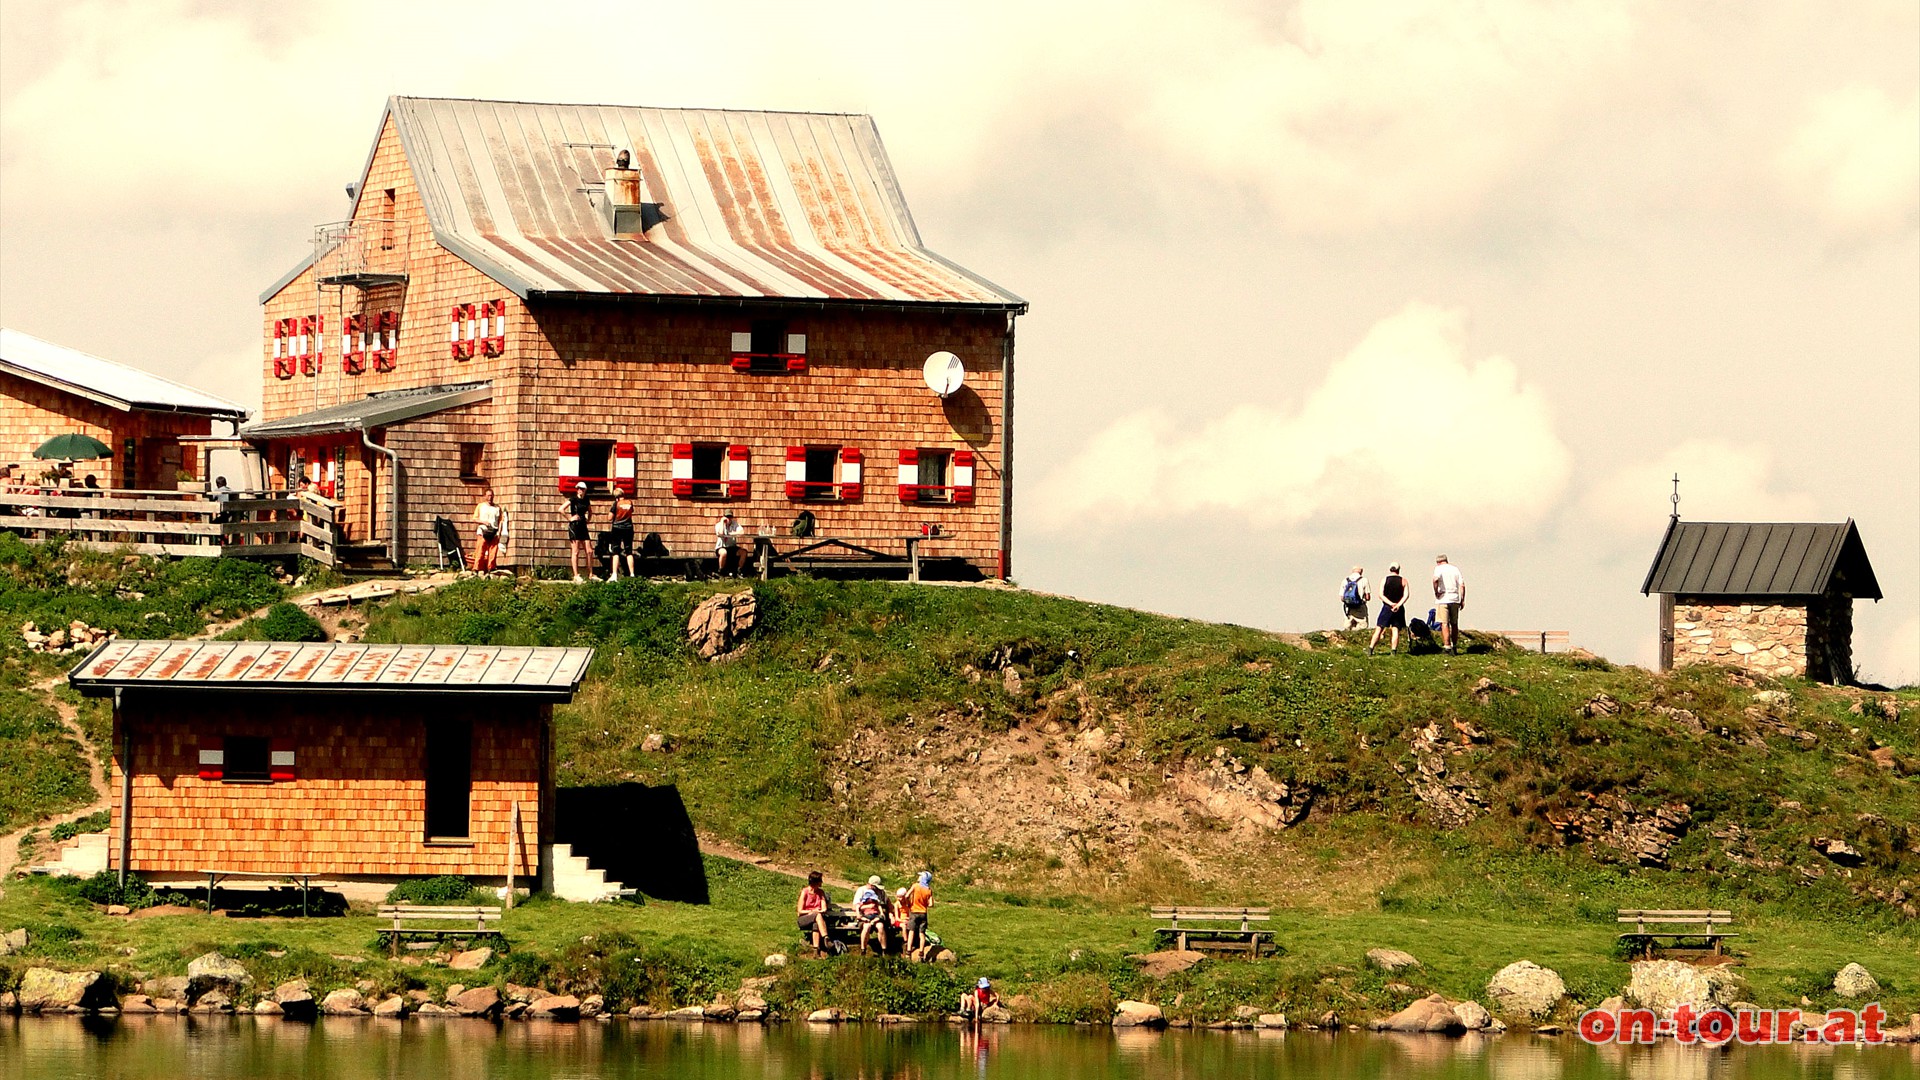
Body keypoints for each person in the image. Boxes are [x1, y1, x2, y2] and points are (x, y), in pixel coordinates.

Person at [1368, 563, 1408, 655]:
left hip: (1386, 608)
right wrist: (1398, 605)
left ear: (1390, 569)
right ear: (1398, 570)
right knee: (1395, 629)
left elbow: (1381, 595)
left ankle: (1371, 648)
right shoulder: (1404, 580)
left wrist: (1390, 604)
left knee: (1379, 628)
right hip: (1399, 609)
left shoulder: (1384, 580)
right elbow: (1406, 595)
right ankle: (1393, 651)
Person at [1433, 554, 1466, 654]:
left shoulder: (1438, 569)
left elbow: (1435, 579)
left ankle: (1447, 646)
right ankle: (1455, 645)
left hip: (1443, 599)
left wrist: (1436, 591)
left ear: (1438, 562)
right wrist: (1462, 599)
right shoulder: (1455, 569)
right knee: (1454, 623)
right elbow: (1462, 585)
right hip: (1455, 598)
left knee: (1444, 623)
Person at [562, 482, 593, 581]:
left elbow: (590, 511)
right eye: (579, 488)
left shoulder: (586, 500)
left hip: (583, 525)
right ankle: (576, 575)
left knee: (589, 551)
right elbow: (561, 509)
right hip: (574, 526)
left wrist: (588, 519)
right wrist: (569, 518)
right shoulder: (573, 499)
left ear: (585, 490)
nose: (580, 490)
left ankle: (591, 574)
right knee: (576, 551)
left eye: (582, 489)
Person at [853, 875, 892, 954]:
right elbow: (855, 907)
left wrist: (890, 913)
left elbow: (889, 904)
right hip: (865, 916)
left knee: (880, 927)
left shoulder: (880, 892)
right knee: (867, 927)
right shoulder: (862, 890)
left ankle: (884, 949)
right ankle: (863, 949)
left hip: (876, 915)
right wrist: (868, 906)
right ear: (871, 885)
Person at [796, 870, 832, 955]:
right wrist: (812, 912)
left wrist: (818, 911)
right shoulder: (805, 892)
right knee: (817, 915)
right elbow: (800, 911)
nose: (822, 882)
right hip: (804, 918)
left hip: (817, 918)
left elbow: (824, 908)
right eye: (820, 881)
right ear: (815, 882)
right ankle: (826, 937)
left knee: (816, 923)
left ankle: (816, 949)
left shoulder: (820, 892)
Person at [473, 488, 506, 573]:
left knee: (493, 551)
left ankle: (491, 568)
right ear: (485, 496)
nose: (490, 497)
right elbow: (475, 518)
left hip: (494, 531)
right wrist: (483, 522)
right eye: (488, 495)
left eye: (491, 495)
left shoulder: (497, 508)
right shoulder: (480, 506)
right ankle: (476, 568)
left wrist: (499, 532)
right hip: (483, 531)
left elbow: (500, 521)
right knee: (480, 550)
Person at [608, 490, 637, 580]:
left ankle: (614, 574)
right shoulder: (629, 503)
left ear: (616, 497)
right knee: (629, 552)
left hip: (617, 528)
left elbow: (609, 518)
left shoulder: (616, 504)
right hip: (628, 528)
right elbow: (631, 512)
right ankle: (632, 574)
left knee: (615, 551)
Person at [905, 870, 934, 954]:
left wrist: (909, 904)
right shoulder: (929, 890)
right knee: (922, 933)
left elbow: (907, 896)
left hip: (914, 912)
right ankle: (921, 951)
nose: (919, 877)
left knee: (911, 931)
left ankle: (909, 950)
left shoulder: (915, 886)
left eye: (920, 876)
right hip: (923, 914)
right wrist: (924, 904)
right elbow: (931, 904)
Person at [714, 511, 746, 576]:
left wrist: (732, 534)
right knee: (723, 553)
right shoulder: (718, 525)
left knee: (744, 552)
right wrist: (723, 523)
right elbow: (721, 533)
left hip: (732, 546)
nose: (729, 519)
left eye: (730, 517)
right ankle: (721, 570)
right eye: (727, 517)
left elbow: (742, 532)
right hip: (721, 546)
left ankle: (739, 570)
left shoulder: (735, 524)